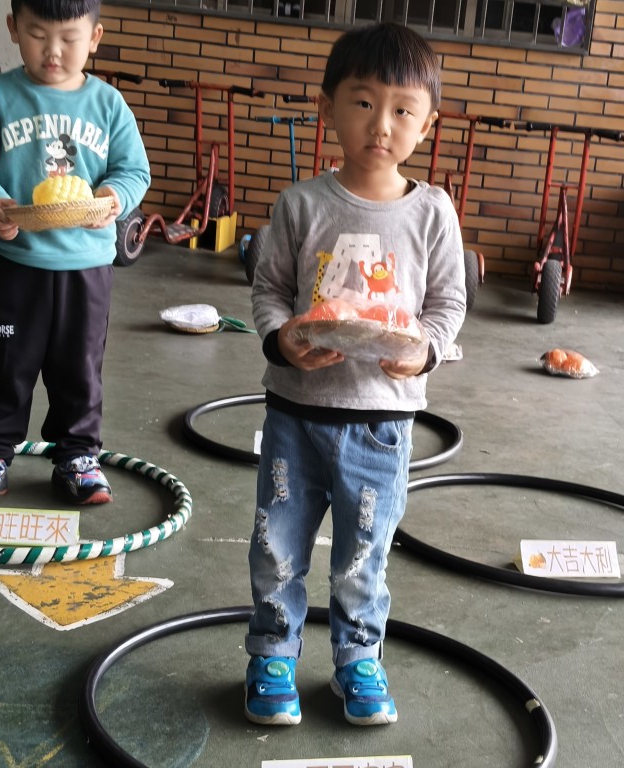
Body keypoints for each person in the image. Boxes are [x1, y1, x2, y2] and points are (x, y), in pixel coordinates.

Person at [247, 23, 466, 727]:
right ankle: (272, 654)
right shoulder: (301, 204)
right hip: (295, 414)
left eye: (403, 109)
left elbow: (447, 304)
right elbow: (269, 290)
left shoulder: (431, 212)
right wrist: (282, 340)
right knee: (277, 544)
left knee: (363, 553)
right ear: (328, 108)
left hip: (382, 422)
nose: (382, 124)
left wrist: (426, 352)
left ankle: (357, 659)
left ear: (427, 125)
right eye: (364, 103)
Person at [0, 0, 151, 508]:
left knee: (80, 367)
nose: (53, 51)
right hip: (8, 263)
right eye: (38, 35)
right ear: (13, 28)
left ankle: (77, 455)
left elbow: (134, 170)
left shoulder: (108, 105)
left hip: (86, 267)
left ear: (95, 37)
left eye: (69, 38)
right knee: (1, 367)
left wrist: (114, 198)